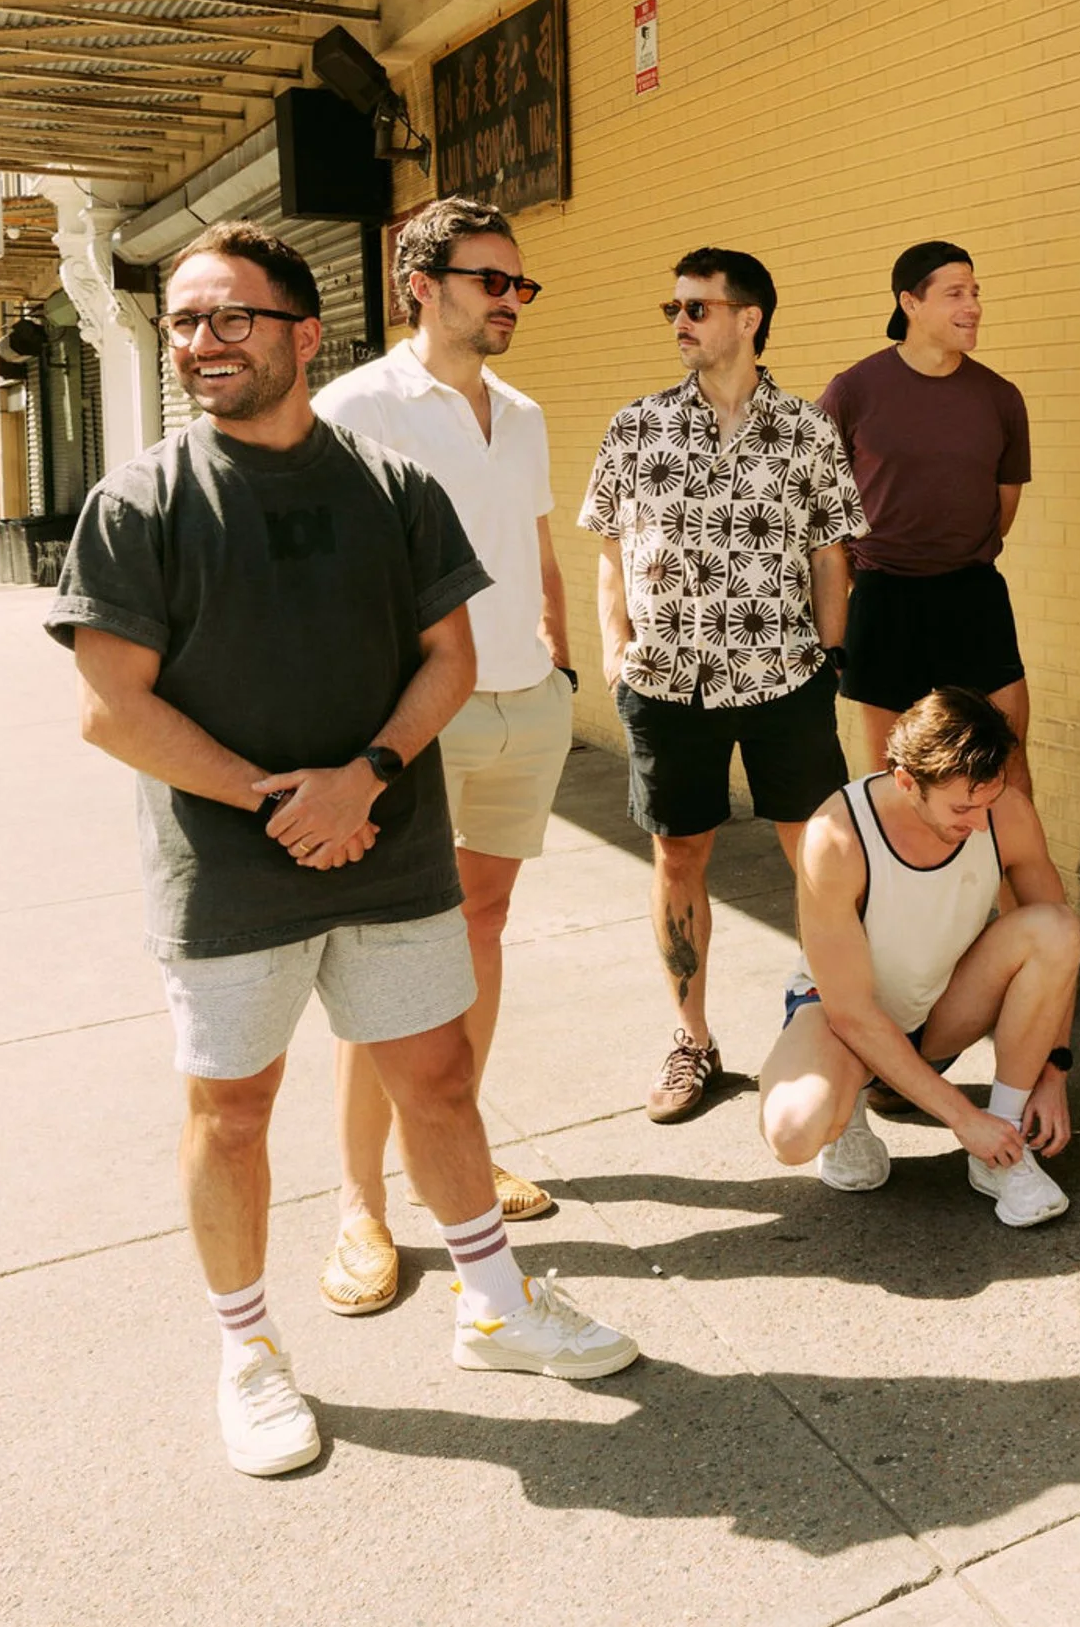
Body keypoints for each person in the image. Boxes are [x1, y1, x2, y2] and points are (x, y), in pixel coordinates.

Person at [47, 222, 638, 1478]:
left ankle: (495, 1305)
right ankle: (248, 1353)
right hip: (227, 874)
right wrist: (282, 804)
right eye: (185, 322)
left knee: (437, 1078)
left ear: (304, 334)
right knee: (233, 1112)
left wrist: (363, 779)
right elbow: (111, 709)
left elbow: (449, 660)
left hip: (390, 842)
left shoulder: (392, 487)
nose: (201, 342)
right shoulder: (139, 502)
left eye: (232, 317)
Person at [308, 196, 570, 1315]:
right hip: (419, 717)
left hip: (526, 703)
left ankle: (450, 1151)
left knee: (482, 926)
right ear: (421, 284)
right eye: (490, 280)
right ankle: (360, 1204)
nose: (512, 299)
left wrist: (560, 666)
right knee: (386, 963)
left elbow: (538, 549)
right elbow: (320, 578)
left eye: (520, 284)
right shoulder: (354, 407)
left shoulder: (524, 412)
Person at [581, 247, 864, 1125]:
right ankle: (692, 1039)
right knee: (678, 857)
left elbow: (830, 554)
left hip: (785, 675)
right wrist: (615, 653)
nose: (680, 321)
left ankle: (848, 1023)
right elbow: (611, 549)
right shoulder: (638, 426)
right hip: (668, 683)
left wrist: (830, 657)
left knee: (819, 854)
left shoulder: (808, 430)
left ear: (750, 318)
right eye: (673, 307)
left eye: (697, 307)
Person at [757, 688, 1080, 1228]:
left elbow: (1061, 953)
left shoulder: (1005, 813)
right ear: (908, 781)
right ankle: (848, 1103)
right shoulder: (836, 836)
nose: (980, 823)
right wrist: (963, 1118)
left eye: (988, 800)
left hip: (940, 1010)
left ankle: (1002, 1149)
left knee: (1056, 927)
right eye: (962, 808)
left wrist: (1054, 1074)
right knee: (793, 1132)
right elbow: (851, 1014)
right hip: (843, 1022)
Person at [822, 242, 1037, 793]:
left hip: (974, 597)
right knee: (892, 778)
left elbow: (1001, 511)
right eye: (955, 294)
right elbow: (820, 510)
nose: (973, 307)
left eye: (975, 293)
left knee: (1006, 764)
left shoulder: (1000, 397)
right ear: (910, 303)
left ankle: (1011, 857)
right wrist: (840, 617)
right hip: (884, 600)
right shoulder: (853, 391)